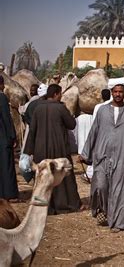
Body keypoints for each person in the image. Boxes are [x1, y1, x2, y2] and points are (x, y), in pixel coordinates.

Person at [80, 80, 124, 232]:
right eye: (115, 92)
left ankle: (119, 222)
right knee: (100, 185)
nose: (118, 94)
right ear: (111, 92)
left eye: (120, 92)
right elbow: (93, 132)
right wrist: (85, 153)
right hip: (102, 155)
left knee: (121, 191)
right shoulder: (102, 111)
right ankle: (103, 210)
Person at [24, 84, 82, 214]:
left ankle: (45, 205)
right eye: (60, 94)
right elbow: (71, 125)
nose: (61, 96)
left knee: (43, 177)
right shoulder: (60, 108)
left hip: (40, 150)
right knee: (64, 175)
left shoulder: (38, 109)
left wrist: (28, 152)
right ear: (56, 94)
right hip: (59, 148)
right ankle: (68, 204)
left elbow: (32, 131)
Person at [81, 88, 112, 182]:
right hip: (110, 133)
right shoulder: (112, 106)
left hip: (99, 134)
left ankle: (90, 174)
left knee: (96, 154)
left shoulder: (98, 107)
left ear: (101, 97)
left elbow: (95, 121)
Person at [0, 75, 19, 201]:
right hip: (2, 136)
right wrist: (13, 136)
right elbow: (7, 118)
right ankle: (8, 193)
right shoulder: (1, 97)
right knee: (6, 165)